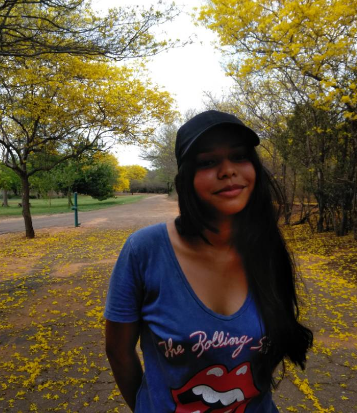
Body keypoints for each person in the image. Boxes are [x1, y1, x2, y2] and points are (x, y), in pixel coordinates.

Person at [104, 110, 313, 412]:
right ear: (186, 179)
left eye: (239, 157)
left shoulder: (267, 248)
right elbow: (118, 351)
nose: (228, 170)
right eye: (207, 162)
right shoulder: (144, 251)